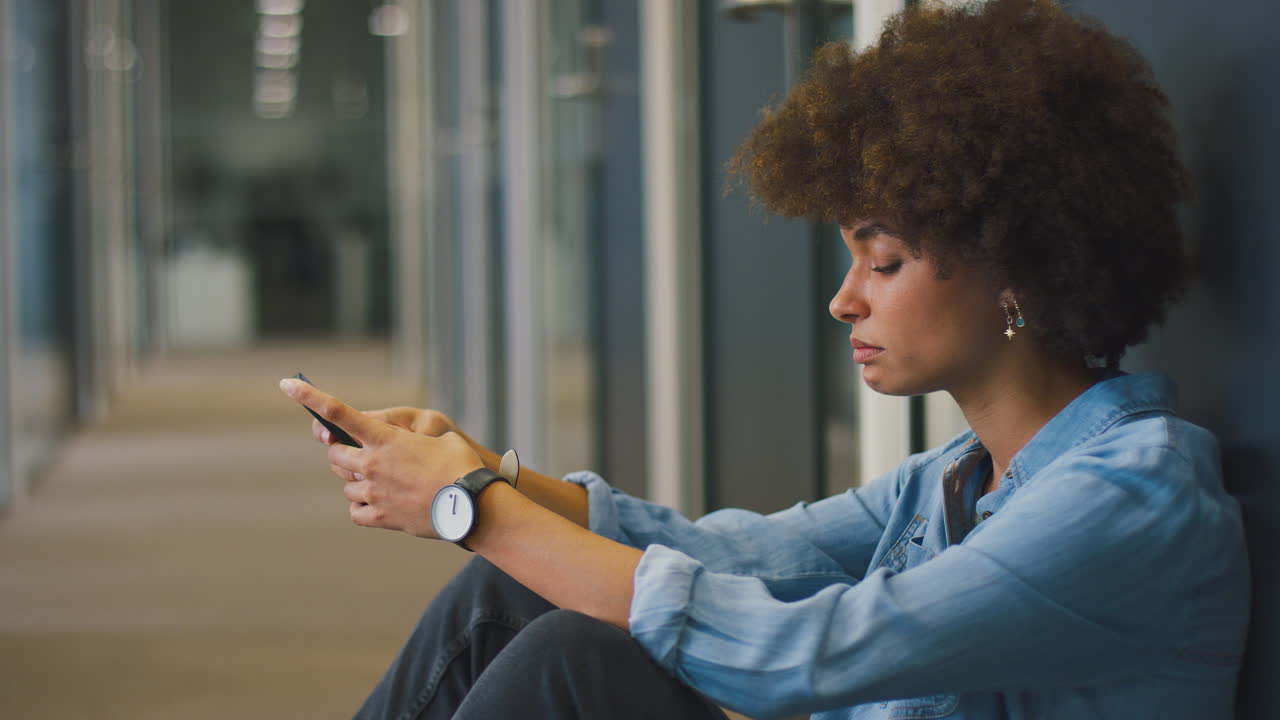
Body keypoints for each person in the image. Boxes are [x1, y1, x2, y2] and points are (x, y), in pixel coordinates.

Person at [279, 0, 1249, 717]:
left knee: (570, 659)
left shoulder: (1129, 501)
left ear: (1018, 266)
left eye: (883, 260)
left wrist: (469, 510)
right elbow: (721, 552)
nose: (843, 299)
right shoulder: (950, 481)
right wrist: (489, 479)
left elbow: (804, 653)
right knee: (514, 593)